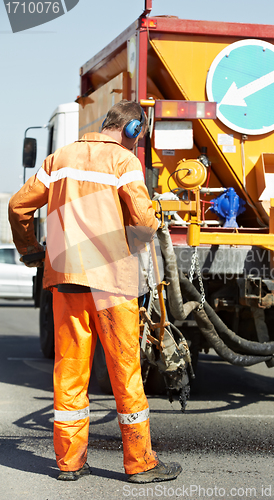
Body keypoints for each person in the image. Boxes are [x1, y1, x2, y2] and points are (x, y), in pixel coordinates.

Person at [8, 100, 182, 483]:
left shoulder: (58, 160)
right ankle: (140, 463)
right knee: (125, 372)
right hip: (113, 283)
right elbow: (141, 219)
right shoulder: (124, 162)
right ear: (134, 130)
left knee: (70, 372)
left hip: (67, 280)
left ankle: (69, 464)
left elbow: (19, 205)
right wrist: (136, 243)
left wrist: (32, 250)